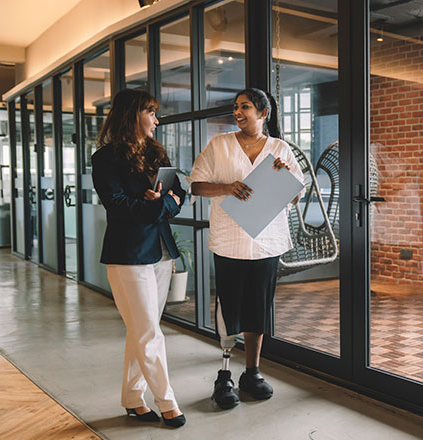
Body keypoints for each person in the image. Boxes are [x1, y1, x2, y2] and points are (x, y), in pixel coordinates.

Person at [188, 88, 304, 410]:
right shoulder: (219, 145)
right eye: (236, 107)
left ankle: (251, 373)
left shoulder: (280, 149)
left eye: (245, 107)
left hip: (267, 243)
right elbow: (196, 185)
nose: (238, 112)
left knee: (258, 309)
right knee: (229, 310)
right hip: (229, 242)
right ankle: (224, 375)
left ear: (263, 113)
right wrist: (226, 187)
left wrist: (285, 177)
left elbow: (294, 196)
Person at [91, 88, 187, 428]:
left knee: (142, 330)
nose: (157, 120)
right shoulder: (104, 159)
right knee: (149, 334)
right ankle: (168, 403)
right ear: (133, 114)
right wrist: (159, 204)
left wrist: (164, 202)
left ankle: (133, 398)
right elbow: (118, 206)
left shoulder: (155, 152)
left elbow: (180, 192)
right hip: (128, 255)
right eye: (151, 112)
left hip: (161, 253)